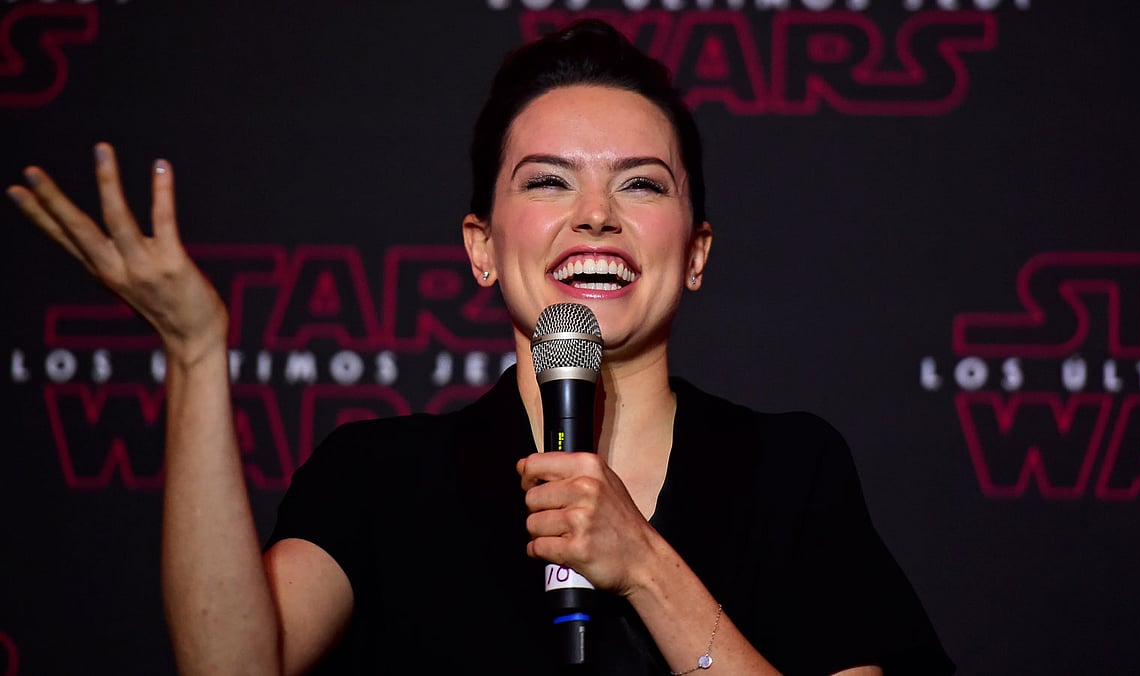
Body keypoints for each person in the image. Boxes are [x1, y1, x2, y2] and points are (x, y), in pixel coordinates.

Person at [8, 18, 955, 676]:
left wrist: (645, 565)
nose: (595, 216)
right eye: (548, 182)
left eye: (642, 186)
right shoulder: (381, 477)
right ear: (480, 246)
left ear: (696, 252)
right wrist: (197, 353)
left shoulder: (792, 472)